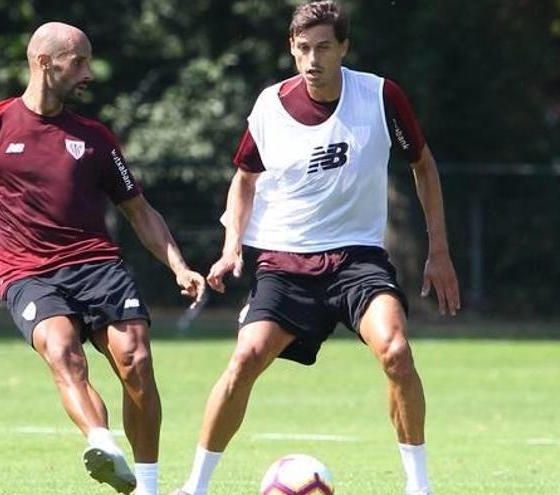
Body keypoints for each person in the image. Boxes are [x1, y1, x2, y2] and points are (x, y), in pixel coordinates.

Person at [171, 2, 459, 495]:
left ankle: (419, 487)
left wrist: (439, 251)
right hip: (284, 262)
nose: (312, 59)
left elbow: (423, 166)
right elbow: (244, 179)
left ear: (344, 48)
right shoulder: (269, 106)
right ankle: (194, 487)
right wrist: (231, 247)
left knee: (395, 350)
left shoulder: (380, 95)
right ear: (291, 48)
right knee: (245, 360)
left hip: (357, 259)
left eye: (324, 47)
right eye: (303, 48)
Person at [0, 22, 205, 495]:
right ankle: (101, 442)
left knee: (136, 361)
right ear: (44, 62)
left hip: (99, 266)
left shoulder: (95, 137)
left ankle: (149, 488)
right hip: (28, 273)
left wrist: (178, 265)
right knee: (63, 352)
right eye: (78, 61)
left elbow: (138, 210)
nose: (88, 72)